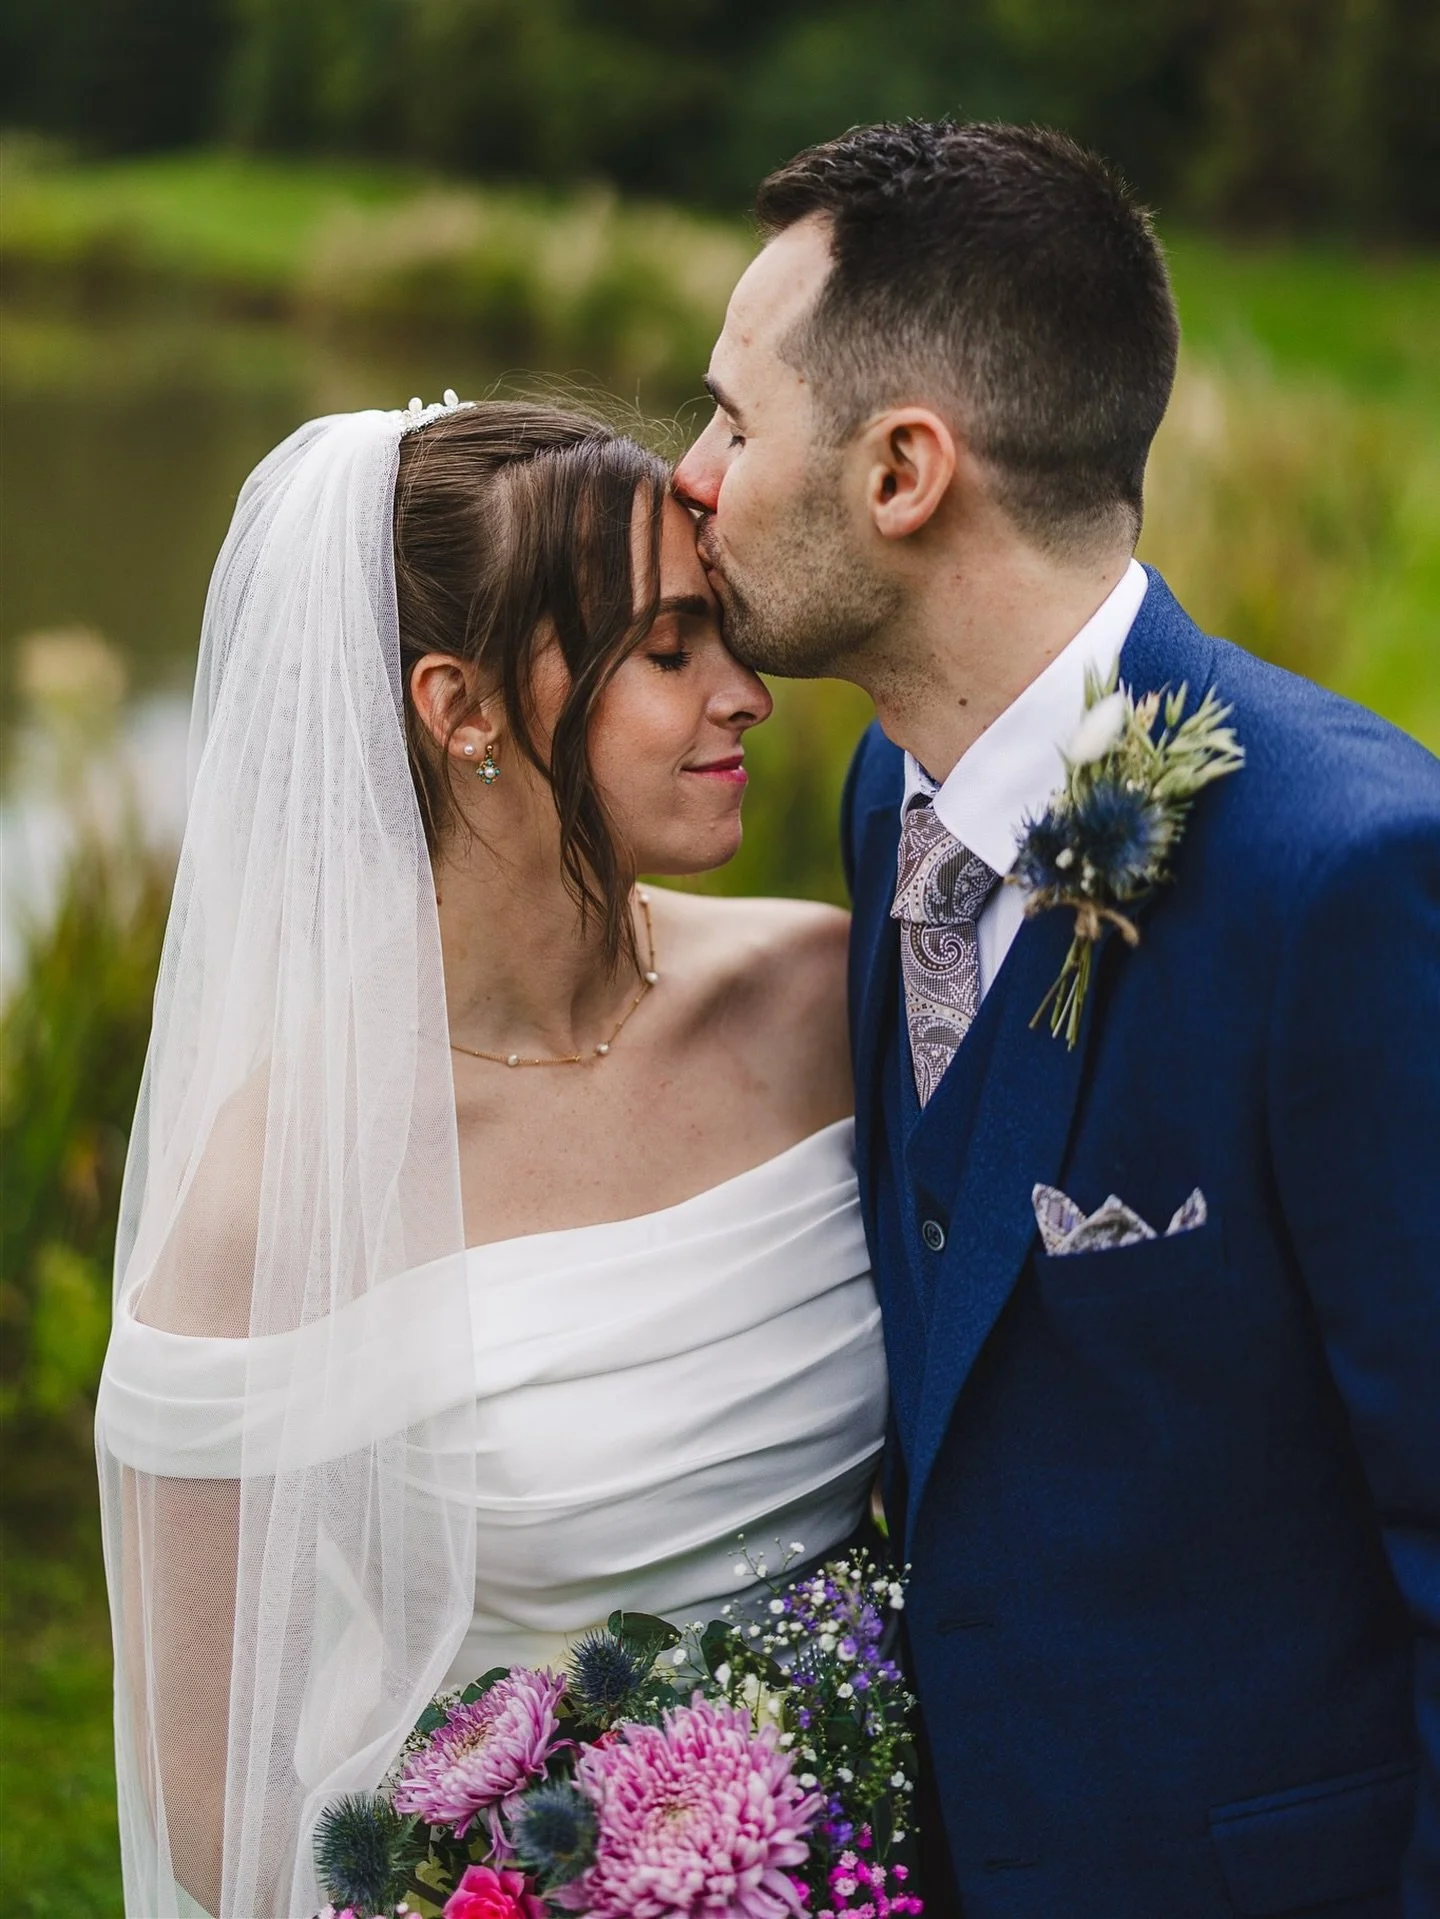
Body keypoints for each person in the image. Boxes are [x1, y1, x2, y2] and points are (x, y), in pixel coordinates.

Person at [675, 120, 1440, 1915]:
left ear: (903, 473)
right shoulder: (891, 796)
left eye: (730, 417)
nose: (692, 475)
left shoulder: (1354, 879)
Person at [95, 398, 887, 1917]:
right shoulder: (276, 1192)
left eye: (722, 634)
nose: (749, 697)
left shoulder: (819, 1002)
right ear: (460, 706)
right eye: (667, 652)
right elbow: (219, 1812)